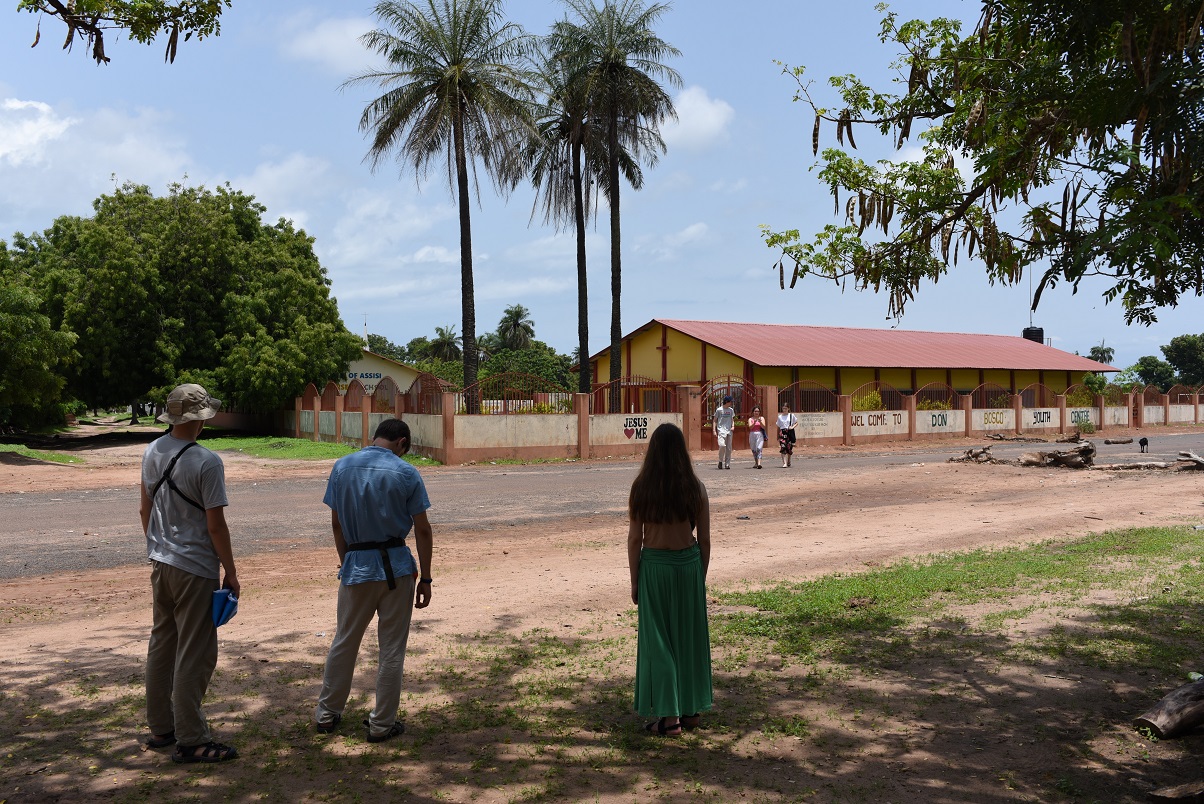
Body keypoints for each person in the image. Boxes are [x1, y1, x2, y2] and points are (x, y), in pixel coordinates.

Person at [314, 418, 434, 743]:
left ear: (375, 437)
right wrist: (426, 578)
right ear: (402, 443)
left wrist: (348, 561)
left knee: (344, 641)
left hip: (356, 567)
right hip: (396, 569)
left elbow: (337, 525)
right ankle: (382, 725)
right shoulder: (407, 472)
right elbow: (423, 529)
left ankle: (326, 715)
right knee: (391, 649)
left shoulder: (342, 467)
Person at [139, 383, 240, 763]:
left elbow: (144, 509)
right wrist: (231, 572)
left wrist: (158, 547)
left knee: (162, 644)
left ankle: (161, 728)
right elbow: (216, 526)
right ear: (202, 418)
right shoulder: (206, 461)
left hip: (161, 563)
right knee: (194, 653)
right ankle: (192, 739)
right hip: (195, 567)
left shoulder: (152, 450)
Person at [627, 423, 713, 736]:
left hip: (655, 568)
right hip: (688, 566)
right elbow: (704, 539)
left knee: (659, 642)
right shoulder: (695, 487)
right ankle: (690, 710)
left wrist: (635, 581)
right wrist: (698, 576)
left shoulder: (642, 488)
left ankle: (669, 718)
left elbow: (635, 538)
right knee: (688, 638)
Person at [714, 394, 735, 470]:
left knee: (729, 448)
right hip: (721, 430)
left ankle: (727, 464)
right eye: (730, 402)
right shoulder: (719, 410)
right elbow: (715, 420)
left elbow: (732, 419)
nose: (731, 403)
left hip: (729, 431)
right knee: (722, 445)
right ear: (726, 402)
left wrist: (733, 426)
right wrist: (714, 430)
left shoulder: (731, 410)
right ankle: (720, 461)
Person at [777, 401, 799, 468]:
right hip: (782, 433)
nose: (784, 410)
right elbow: (778, 426)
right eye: (783, 408)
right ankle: (784, 463)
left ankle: (789, 460)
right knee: (783, 447)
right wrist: (778, 436)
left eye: (786, 408)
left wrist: (792, 427)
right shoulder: (780, 417)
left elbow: (796, 423)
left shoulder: (791, 416)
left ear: (788, 408)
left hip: (789, 432)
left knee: (789, 447)